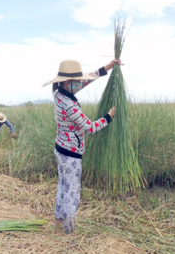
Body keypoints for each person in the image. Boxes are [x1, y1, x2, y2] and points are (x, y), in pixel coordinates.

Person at [43, 59, 121, 234]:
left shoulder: (59, 93)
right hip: (71, 155)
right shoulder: (69, 105)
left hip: (61, 149)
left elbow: (87, 80)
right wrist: (108, 117)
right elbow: (90, 128)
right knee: (72, 193)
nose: (80, 83)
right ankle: (68, 231)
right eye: (76, 81)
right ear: (67, 82)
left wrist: (107, 67)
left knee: (63, 186)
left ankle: (58, 222)